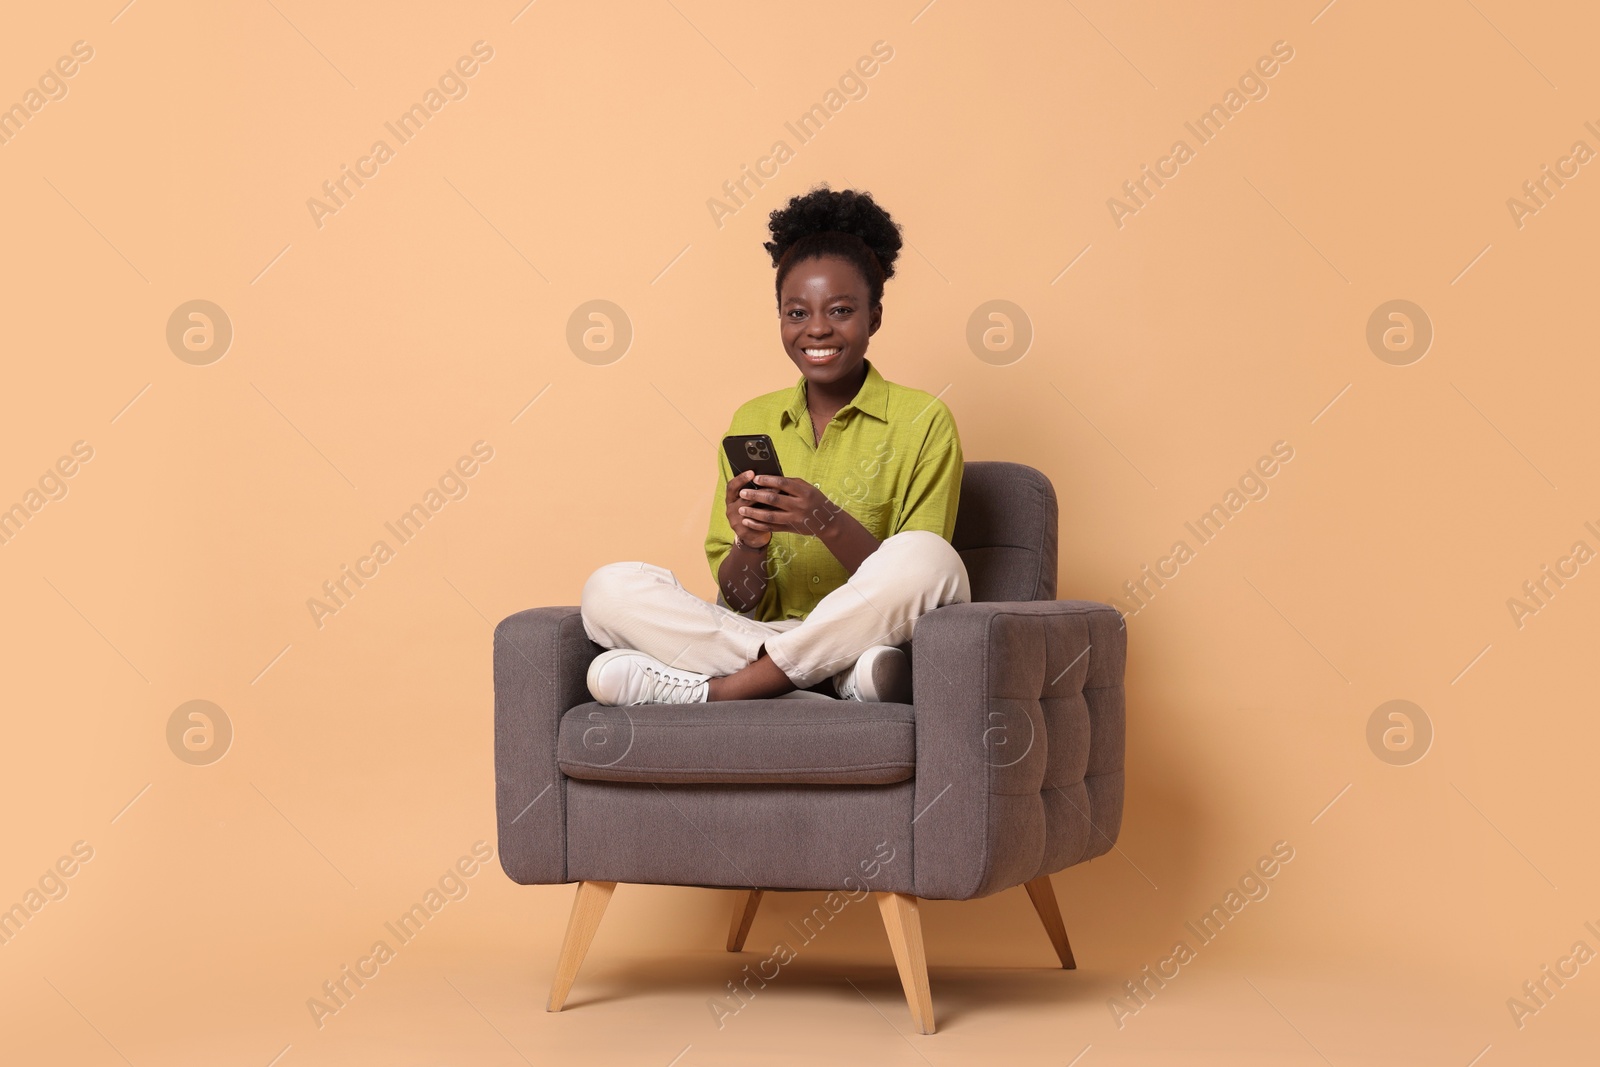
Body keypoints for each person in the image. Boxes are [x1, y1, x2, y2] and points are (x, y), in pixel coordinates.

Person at [581, 185, 970, 705]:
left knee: (931, 559)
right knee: (607, 591)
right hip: (823, 646)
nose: (817, 330)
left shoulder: (924, 420)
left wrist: (825, 521)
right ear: (780, 317)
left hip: (874, 630)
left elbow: (911, 585)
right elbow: (740, 602)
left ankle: (723, 691)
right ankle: (832, 678)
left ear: (874, 317)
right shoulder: (752, 420)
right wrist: (750, 544)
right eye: (796, 313)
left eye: (840, 311)